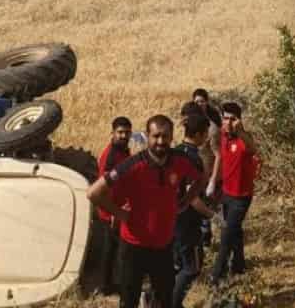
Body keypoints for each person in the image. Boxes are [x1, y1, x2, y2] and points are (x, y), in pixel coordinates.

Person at [88, 115, 205, 308]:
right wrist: (118, 213)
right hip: (134, 247)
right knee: (129, 301)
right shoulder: (132, 165)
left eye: (165, 136)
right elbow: (93, 193)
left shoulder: (180, 161)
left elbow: (202, 178)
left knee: (165, 299)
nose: (160, 141)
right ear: (147, 137)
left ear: (172, 137)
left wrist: (186, 201)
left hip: (163, 246)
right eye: (156, 136)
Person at [210, 101, 261, 286]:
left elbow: (253, 149)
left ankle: (217, 278)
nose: (228, 123)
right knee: (235, 231)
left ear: (239, 121)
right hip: (226, 193)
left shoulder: (243, 139)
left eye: (233, 119)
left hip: (241, 197)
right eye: (226, 119)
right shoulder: (223, 135)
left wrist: (240, 132)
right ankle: (239, 266)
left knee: (226, 236)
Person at [173, 112, 215, 308]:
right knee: (192, 267)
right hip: (187, 222)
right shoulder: (192, 158)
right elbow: (193, 197)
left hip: (172, 219)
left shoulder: (175, 151)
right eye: (206, 133)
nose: (207, 137)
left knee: (178, 264)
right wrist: (212, 216)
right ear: (198, 134)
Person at [94, 117, 134, 294]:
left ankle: (109, 283)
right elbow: (103, 188)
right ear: (112, 133)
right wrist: (112, 214)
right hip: (110, 211)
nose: (124, 135)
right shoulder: (111, 156)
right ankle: (106, 285)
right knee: (111, 250)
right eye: (120, 132)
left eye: (126, 132)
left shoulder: (123, 151)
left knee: (113, 248)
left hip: (117, 209)